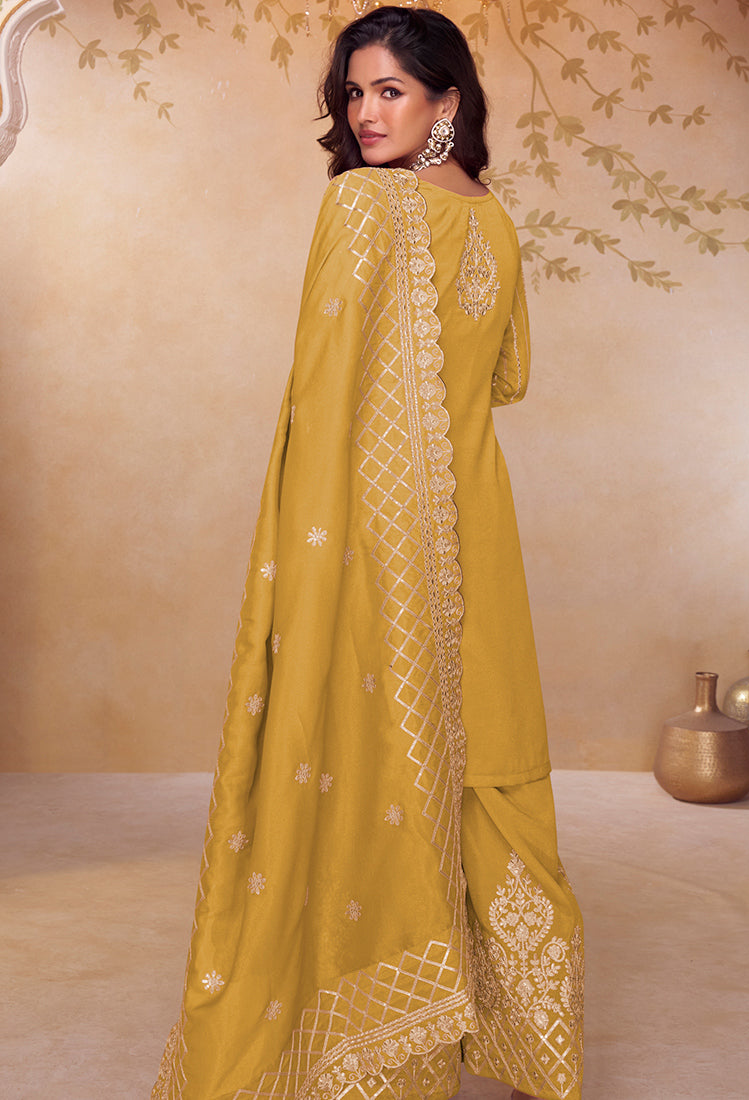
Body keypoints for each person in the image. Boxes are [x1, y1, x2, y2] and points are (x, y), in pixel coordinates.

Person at [151, 7, 583, 1100]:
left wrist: (300, 565)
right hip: (477, 531)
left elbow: (321, 391)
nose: (364, 113)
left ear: (446, 99)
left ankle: (363, 1049)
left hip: (374, 542)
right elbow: (507, 378)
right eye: (354, 93)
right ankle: (517, 1044)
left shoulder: (361, 204)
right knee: (479, 769)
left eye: (390, 90)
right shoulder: (494, 219)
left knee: (353, 763)